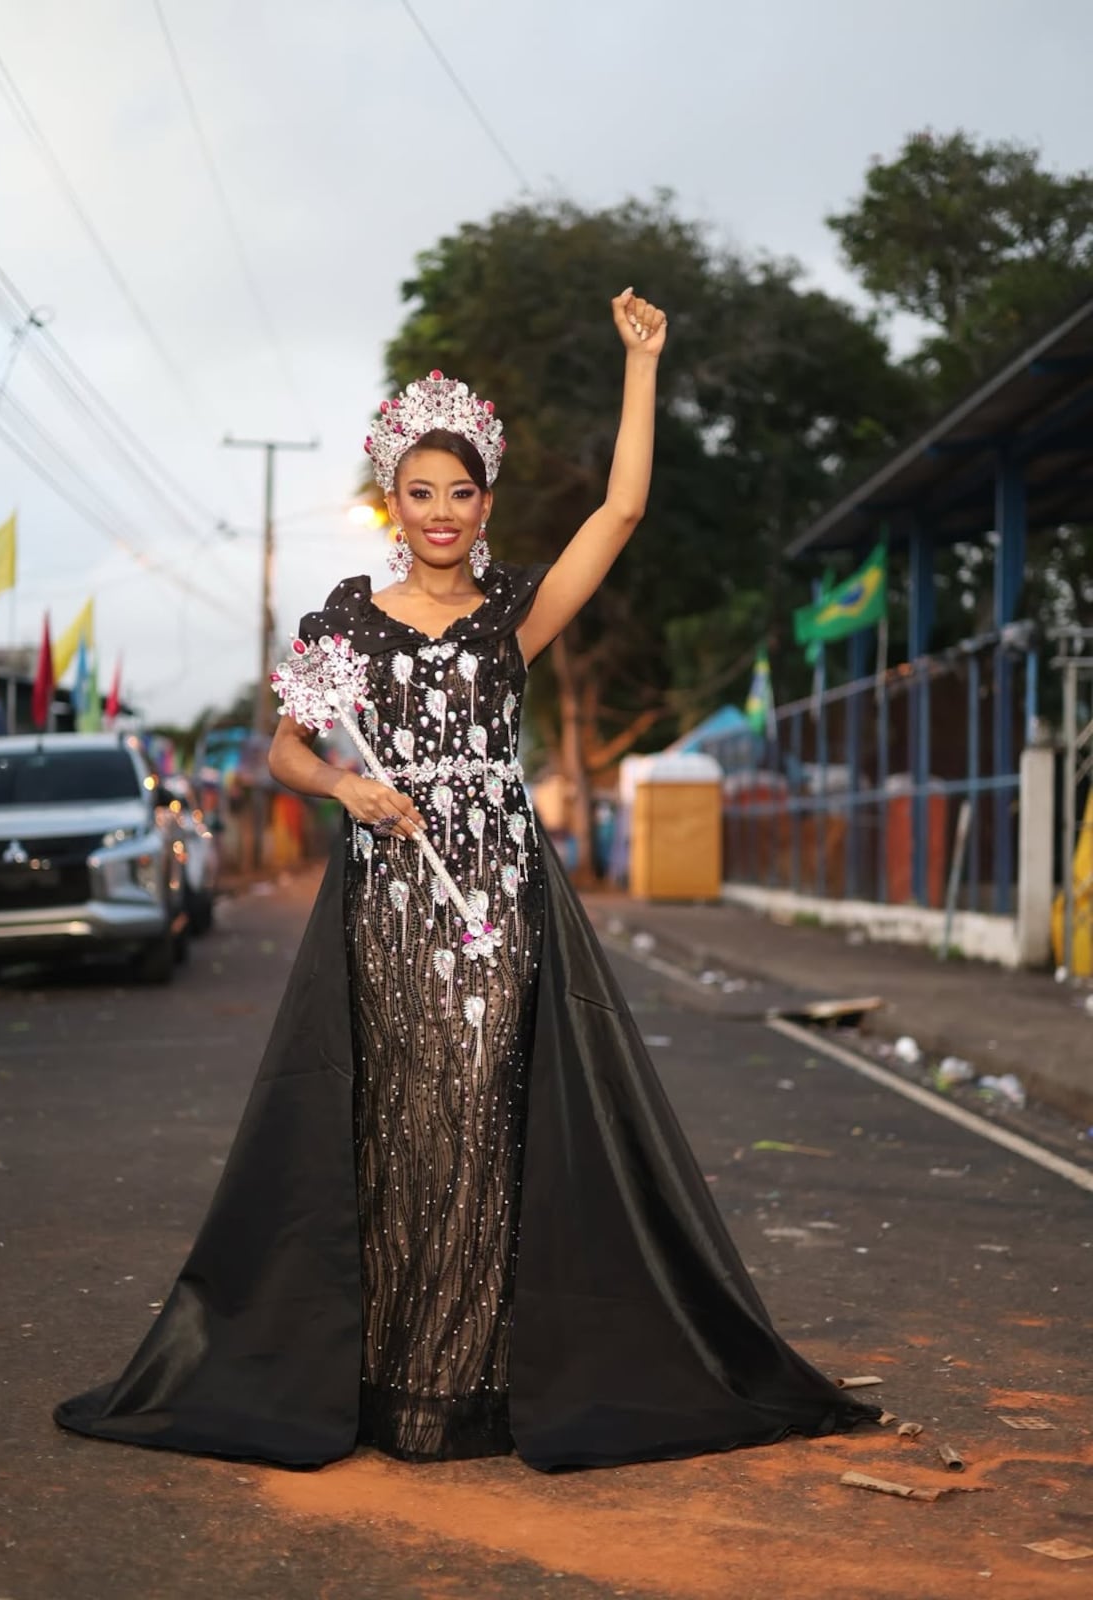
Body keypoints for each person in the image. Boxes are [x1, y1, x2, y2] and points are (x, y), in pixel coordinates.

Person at [54, 290, 880, 1470]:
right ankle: (390, 1383)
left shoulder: (512, 619)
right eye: (420, 491)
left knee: (486, 1111)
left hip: (493, 896)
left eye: (461, 492)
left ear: (485, 503)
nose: (441, 511)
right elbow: (286, 749)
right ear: (392, 501)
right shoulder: (348, 620)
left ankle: (477, 1384)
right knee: (396, 1121)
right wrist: (345, 788)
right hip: (387, 900)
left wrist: (642, 365)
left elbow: (623, 509)